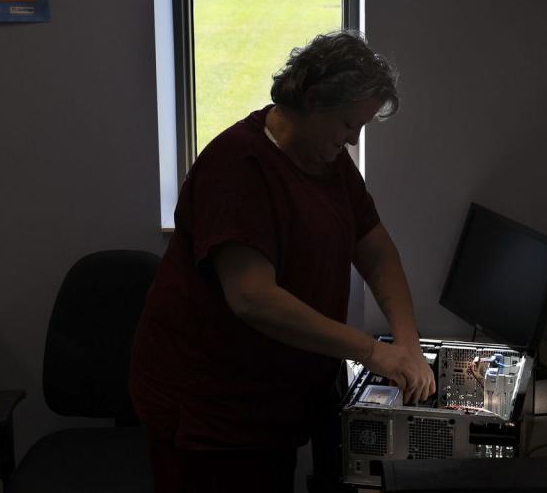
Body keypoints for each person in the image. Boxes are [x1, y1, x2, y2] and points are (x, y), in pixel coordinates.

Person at [129, 31, 435, 493]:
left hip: (275, 404)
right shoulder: (238, 167)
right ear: (312, 100)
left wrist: (408, 344)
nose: (353, 140)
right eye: (349, 124)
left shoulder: (325, 159)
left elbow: (375, 249)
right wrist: (373, 352)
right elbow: (254, 298)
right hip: (211, 416)